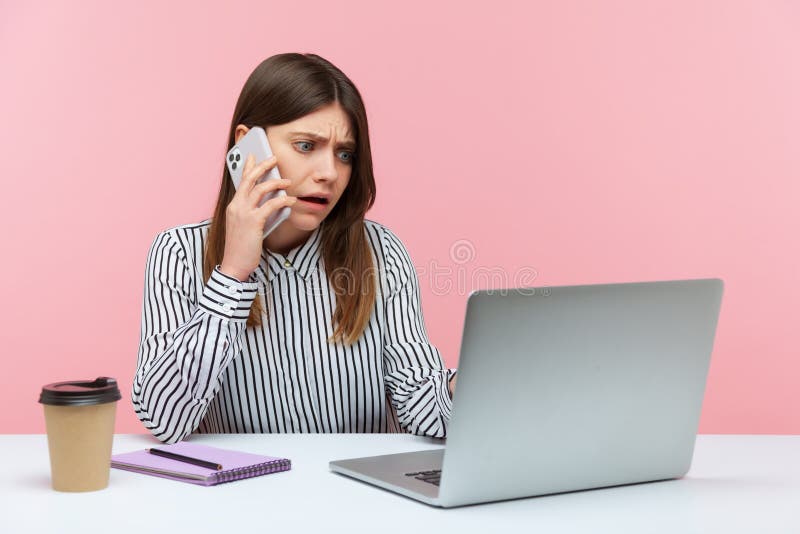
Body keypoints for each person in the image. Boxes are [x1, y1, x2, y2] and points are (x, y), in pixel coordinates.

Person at [132, 53, 457, 444]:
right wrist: (232, 274)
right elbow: (164, 419)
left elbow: (420, 403)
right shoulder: (179, 253)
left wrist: (473, 388)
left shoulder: (380, 252)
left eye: (345, 154)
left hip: (358, 499)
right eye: (306, 146)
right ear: (248, 146)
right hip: (239, 497)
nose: (329, 173)